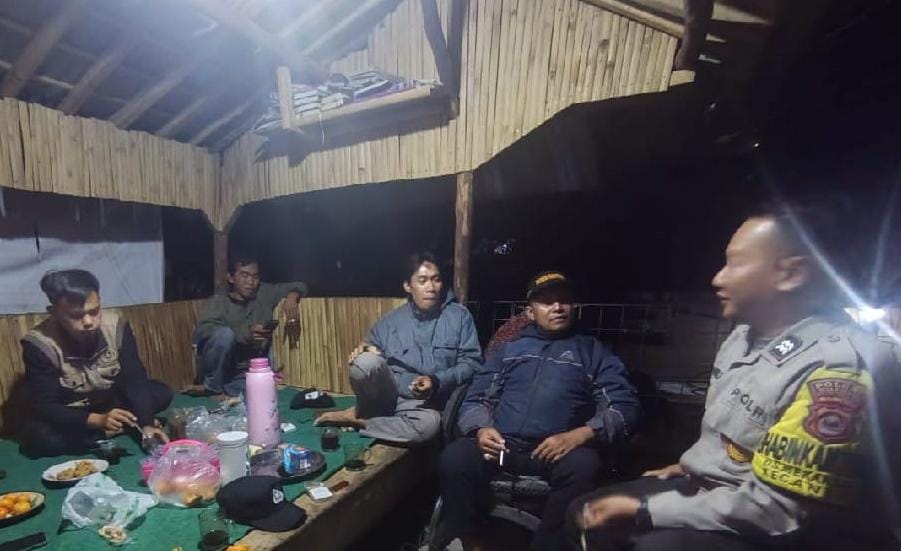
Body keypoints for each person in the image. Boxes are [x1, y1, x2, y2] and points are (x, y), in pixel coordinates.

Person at [567, 201, 900, 551]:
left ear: (792, 274)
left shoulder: (839, 369)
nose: (718, 278)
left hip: (798, 530)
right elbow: (736, 442)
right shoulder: (741, 339)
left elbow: (780, 510)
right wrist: (695, 467)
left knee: (648, 544)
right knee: (585, 512)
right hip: (726, 494)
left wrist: (646, 510)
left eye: (736, 263)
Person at [434, 271, 641, 551]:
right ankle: (465, 541)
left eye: (564, 300)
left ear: (574, 307)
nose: (557, 307)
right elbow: (475, 398)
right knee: (455, 457)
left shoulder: (593, 352)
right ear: (530, 312)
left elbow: (625, 407)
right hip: (502, 446)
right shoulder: (509, 350)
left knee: (585, 466)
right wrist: (481, 429)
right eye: (547, 302)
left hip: (556, 451)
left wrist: (580, 435)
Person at [315, 252, 481, 445]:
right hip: (388, 398)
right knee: (364, 362)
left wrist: (436, 381)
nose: (431, 287)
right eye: (423, 281)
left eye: (436, 280)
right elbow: (369, 352)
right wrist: (365, 351)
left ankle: (359, 420)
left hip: (425, 406)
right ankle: (372, 415)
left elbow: (472, 364)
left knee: (429, 426)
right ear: (408, 286)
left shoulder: (459, 317)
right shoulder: (390, 321)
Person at [19, 270, 172, 458]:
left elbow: (135, 380)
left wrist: (147, 424)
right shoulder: (39, 344)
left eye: (94, 311)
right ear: (54, 313)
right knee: (38, 438)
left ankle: (116, 426)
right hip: (75, 413)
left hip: (112, 401)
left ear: (100, 302)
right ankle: (107, 431)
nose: (88, 322)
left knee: (161, 392)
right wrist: (98, 420)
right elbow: (44, 405)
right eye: (75, 315)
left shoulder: (116, 326)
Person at [186, 253, 308, 398]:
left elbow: (300, 285)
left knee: (262, 391)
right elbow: (202, 332)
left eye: (255, 276)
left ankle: (225, 389)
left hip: (244, 373)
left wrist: (292, 297)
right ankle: (212, 387)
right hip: (219, 369)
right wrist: (245, 334)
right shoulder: (218, 303)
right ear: (231, 278)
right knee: (225, 335)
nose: (250, 281)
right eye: (244, 275)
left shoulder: (264, 293)